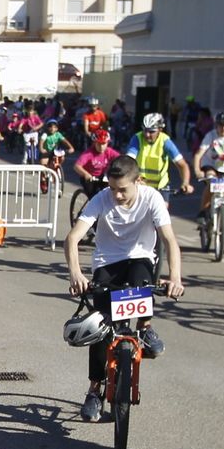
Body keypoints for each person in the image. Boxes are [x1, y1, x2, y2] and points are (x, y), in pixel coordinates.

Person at [63, 155, 184, 421]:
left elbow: (169, 240)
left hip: (138, 258)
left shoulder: (151, 198)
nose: (117, 195)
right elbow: (72, 238)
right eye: (112, 188)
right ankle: (94, 390)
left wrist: (175, 278)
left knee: (143, 282)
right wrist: (76, 274)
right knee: (101, 328)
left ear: (138, 181)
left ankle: (144, 327)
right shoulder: (102, 198)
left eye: (123, 189)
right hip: (107, 262)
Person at [124, 113, 193, 195]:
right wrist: (136, 178)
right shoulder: (137, 138)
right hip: (141, 185)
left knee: (163, 207)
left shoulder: (165, 141)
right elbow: (128, 161)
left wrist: (185, 183)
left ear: (160, 130)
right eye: (145, 130)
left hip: (161, 187)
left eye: (151, 131)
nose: (147, 134)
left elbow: (182, 165)